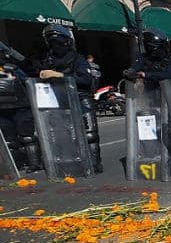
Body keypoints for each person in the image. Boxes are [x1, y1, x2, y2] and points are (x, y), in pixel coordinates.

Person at [31, 25, 102, 172]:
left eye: (58, 42)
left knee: (90, 135)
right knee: (60, 135)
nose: (55, 46)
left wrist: (61, 76)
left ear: (67, 42)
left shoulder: (77, 58)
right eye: (52, 43)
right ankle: (66, 163)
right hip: (58, 101)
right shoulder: (47, 60)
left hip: (80, 98)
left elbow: (86, 79)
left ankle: (95, 164)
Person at [0, 42, 38, 171]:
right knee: (9, 141)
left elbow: (27, 78)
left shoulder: (13, 67)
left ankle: (34, 163)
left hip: (21, 107)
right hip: (4, 110)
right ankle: (17, 166)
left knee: (27, 137)